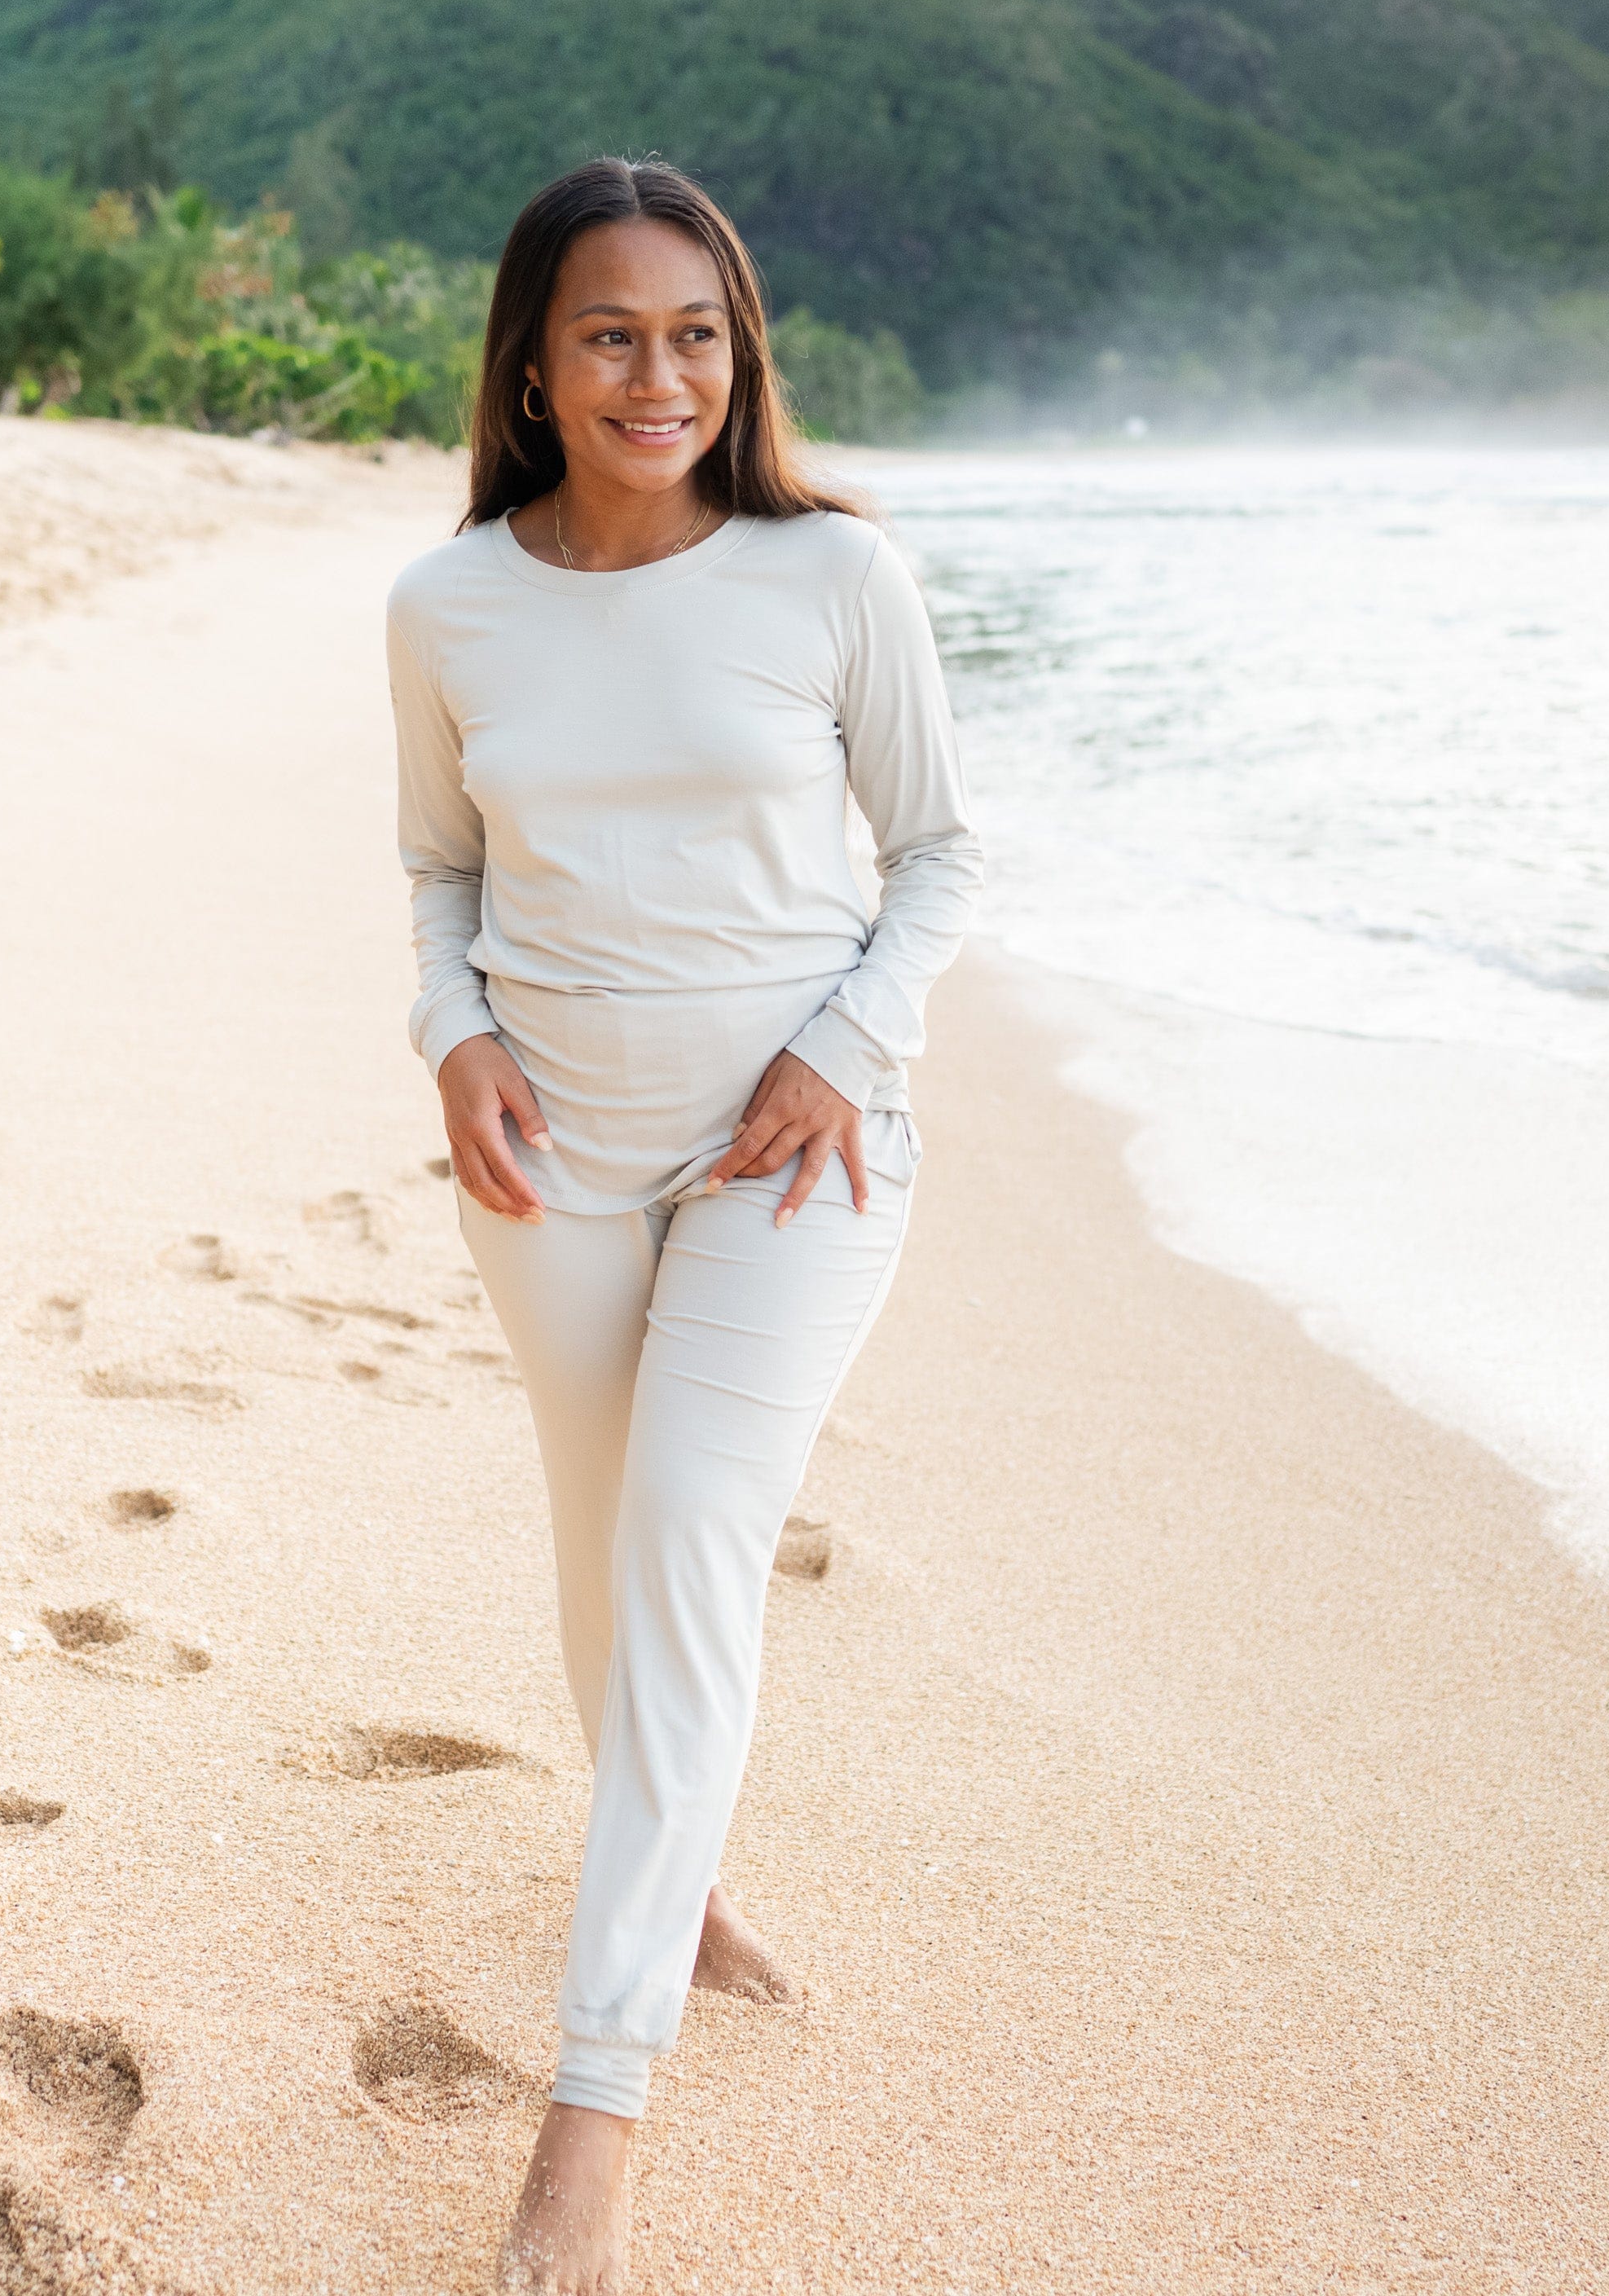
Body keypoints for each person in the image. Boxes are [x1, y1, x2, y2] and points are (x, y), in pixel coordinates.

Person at [385, 157, 983, 2294]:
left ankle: (596, 2107)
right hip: (550, 1156)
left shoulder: (835, 579)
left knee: (687, 1541)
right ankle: (690, 1877)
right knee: (597, 1541)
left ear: (740, 356)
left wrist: (846, 1044)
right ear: (534, 369)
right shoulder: (450, 603)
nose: (662, 373)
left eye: (697, 334)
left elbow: (941, 858)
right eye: (612, 335)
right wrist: (453, 1035)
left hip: (797, 1160)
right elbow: (440, 873)